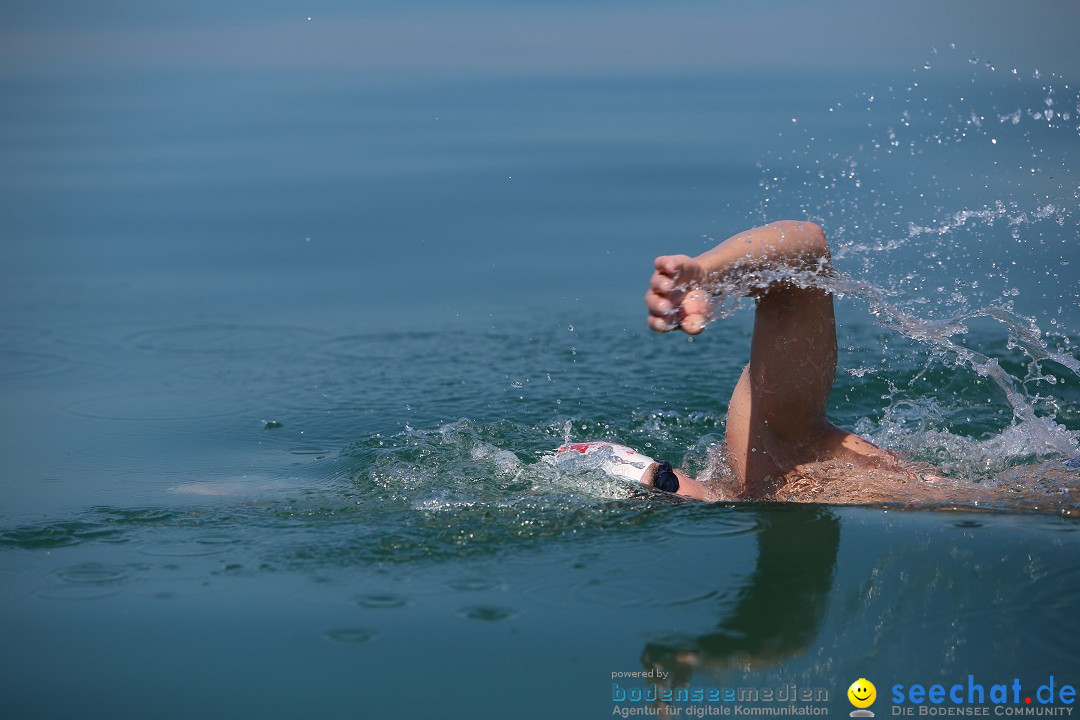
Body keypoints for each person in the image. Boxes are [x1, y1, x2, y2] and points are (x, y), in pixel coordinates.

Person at [641, 220, 957, 504]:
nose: (674, 499)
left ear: (677, 470)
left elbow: (807, 253)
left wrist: (709, 274)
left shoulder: (763, 455)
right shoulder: (756, 492)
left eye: (664, 481)